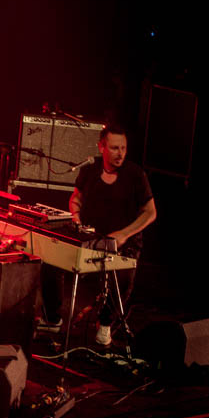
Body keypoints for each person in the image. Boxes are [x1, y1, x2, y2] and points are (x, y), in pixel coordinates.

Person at [39, 124, 157, 346]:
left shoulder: (135, 175)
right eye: (114, 148)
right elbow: (76, 198)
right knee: (51, 260)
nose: (120, 153)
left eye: (123, 148)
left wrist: (124, 234)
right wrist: (76, 217)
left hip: (124, 242)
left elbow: (151, 212)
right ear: (101, 147)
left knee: (123, 277)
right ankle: (52, 318)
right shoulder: (89, 171)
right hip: (90, 237)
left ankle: (105, 324)